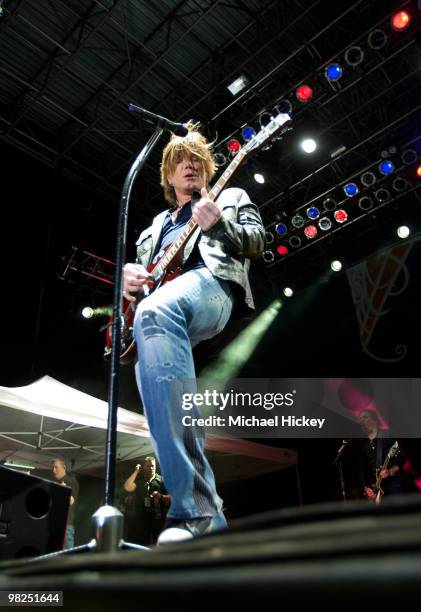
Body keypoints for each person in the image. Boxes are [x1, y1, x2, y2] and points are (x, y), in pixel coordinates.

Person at [123, 124, 265, 543]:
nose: (190, 165)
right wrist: (129, 279)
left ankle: (193, 511)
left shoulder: (231, 197)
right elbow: (142, 284)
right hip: (158, 308)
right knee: (161, 400)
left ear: (207, 169)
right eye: (180, 161)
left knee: (156, 309)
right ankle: (202, 514)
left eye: (197, 160)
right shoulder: (154, 227)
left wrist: (219, 225)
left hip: (211, 289)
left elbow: (257, 240)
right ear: (169, 175)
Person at [357, 410, 406, 501]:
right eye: (360, 419)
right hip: (377, 488)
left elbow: (403, 456)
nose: (362, 420)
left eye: (365, 417)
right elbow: (362, 470)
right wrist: (365, 487)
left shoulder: (388, 434)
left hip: (393, 483)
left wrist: (390, 470)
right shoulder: (363, 445)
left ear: (374, 420)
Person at [123, 457, 170, 545]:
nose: (151, 468)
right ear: (144, 467)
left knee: (158, 542)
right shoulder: (139, 481)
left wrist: (161, 496)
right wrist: (136, 472)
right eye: (148, 466)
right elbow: (127, 487)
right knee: (143, 542)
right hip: (142, 519)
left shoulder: (162, 480)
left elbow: (172, 497)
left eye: (153, 466)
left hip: (158, 518)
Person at [51, 458, 79, 549]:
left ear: (64, 467)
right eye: (53, 468)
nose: (54, 470)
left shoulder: (71, 481)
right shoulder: (56, 483)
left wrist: (62, 492)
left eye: (56, 467)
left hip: (66, 524)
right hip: (56, 523)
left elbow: (71, 501)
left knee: (68, 554)